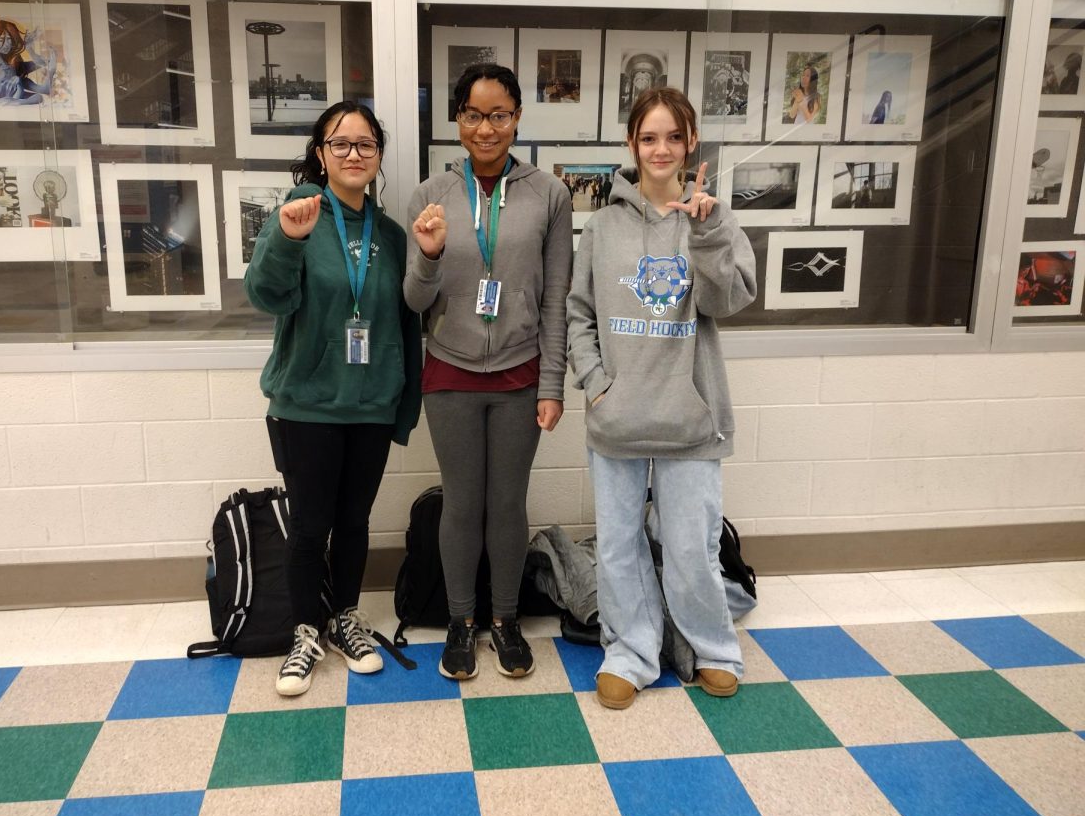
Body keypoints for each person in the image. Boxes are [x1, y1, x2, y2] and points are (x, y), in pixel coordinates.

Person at [566, 86, 756, 710]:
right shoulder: (601, 226)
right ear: (631, 144)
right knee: (618, 545)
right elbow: (577, 314)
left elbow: (728, 304)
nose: (661, 149)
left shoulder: (715, 218)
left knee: (690, 546)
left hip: (690, 419)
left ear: (691, 142)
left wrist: (705, 235)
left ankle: (714, 650)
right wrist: (596, 383)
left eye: (674, 136)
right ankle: (631, 652)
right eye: (649, 137)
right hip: (617, 417)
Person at [245, 100, 422, 697]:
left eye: (365, 144)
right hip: (307, 405)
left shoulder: (393, 237)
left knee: (353, 522)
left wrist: (403, 403)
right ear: (320, 154)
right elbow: (267, 295)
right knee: (309, 526)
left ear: (377, 156)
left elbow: (406, 325)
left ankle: (345, 617)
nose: (353, 154)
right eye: (339, 143)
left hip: (370, 405)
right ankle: (304, 632)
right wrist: (289, 242)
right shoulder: (297, 216)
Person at [406, 63, 573, 680]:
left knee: (506, 503)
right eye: (473, 114)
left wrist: (552, 383)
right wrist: (427, 256)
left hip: (520, 373)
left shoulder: (549, 194)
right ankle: (459, 620)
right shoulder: (430, 195)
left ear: (517, 118)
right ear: (457, 120)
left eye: (498, 114)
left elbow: (557, 298)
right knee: (461, 502)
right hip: (448, 371)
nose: (485, 127)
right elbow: (415, 300)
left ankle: (505, 620)